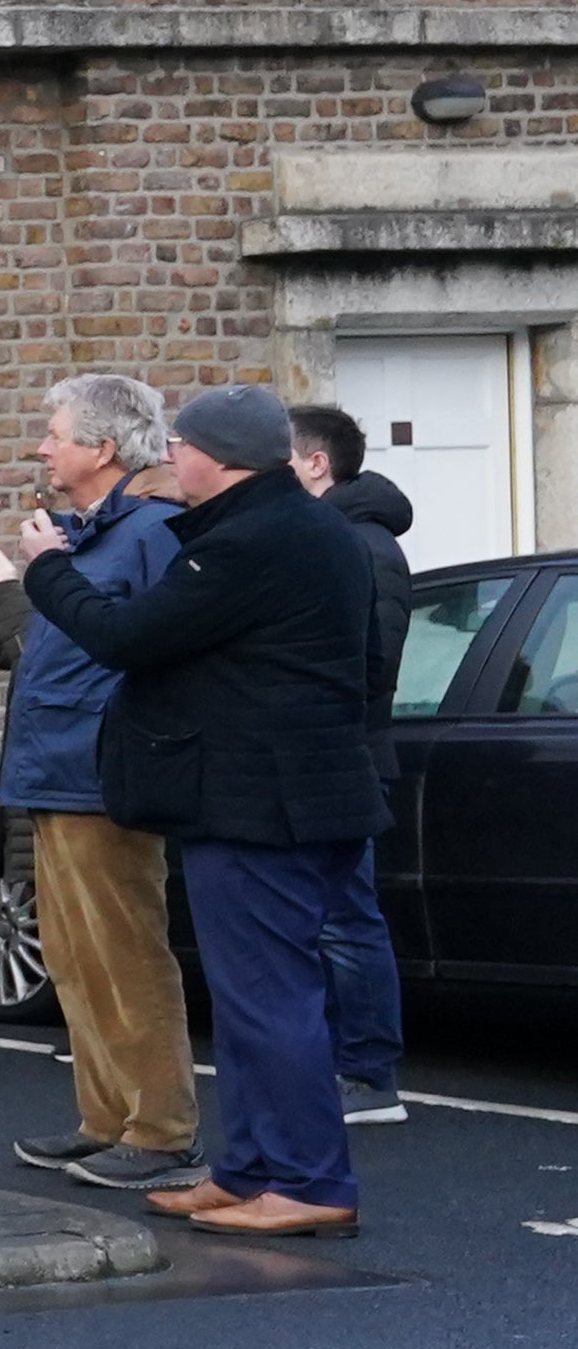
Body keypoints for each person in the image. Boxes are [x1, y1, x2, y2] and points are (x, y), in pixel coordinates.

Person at [17, 384, 387, 1239]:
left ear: (217, 458)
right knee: (252, 997)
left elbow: (127, 636)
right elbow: (363, 672)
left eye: (179, 445)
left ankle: (308, 1181)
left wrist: (47, 570)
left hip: (262, 803)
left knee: (271, 1000)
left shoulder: (252, 539)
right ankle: (250, 1169)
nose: (167, 457)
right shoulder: (297, 530)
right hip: (287, 792)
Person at [0, 378, 206, 1191]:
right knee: (72, 958)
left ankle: (161, 1131)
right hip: (56, 772)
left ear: (100, 448)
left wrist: (41, 575)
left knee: (124, 956)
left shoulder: (151, 533)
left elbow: (150, 649)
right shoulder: (87, 537)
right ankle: (106, 1121)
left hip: (104, 775)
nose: (40, 447)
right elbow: (34, 653)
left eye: (53, 435)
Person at [289, 405, 418, 1126]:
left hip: (345, 756)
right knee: (330, 917)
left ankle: (367, 1075)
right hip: (336, 753)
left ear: (314, 464)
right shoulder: (338, 537)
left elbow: (370, 663)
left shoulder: (360, 546)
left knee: (345, 919)